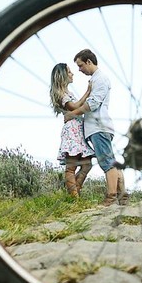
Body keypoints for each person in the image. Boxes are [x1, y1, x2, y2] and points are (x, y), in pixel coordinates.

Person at [71, 49, 126, 205]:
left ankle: (111, 197)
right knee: (111, 161)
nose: (79, 70)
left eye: (80, 65)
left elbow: (93, 104)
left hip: (98, 126)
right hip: (98, 127)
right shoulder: (96, 79)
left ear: (89, 62)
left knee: (106, 162)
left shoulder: (100, 79)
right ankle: (122, 196)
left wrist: (74, 113)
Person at [48, 62, 94, 198]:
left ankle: (75, 191)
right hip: (72, 130)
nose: (72, 73)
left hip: (79, 130)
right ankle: (74, 196)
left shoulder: (69, 92)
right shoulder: (60, 93)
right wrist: (88, 91)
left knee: (87, 164)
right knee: (71, 167)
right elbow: (74, 107)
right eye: (69, 72)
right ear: (62, 75)